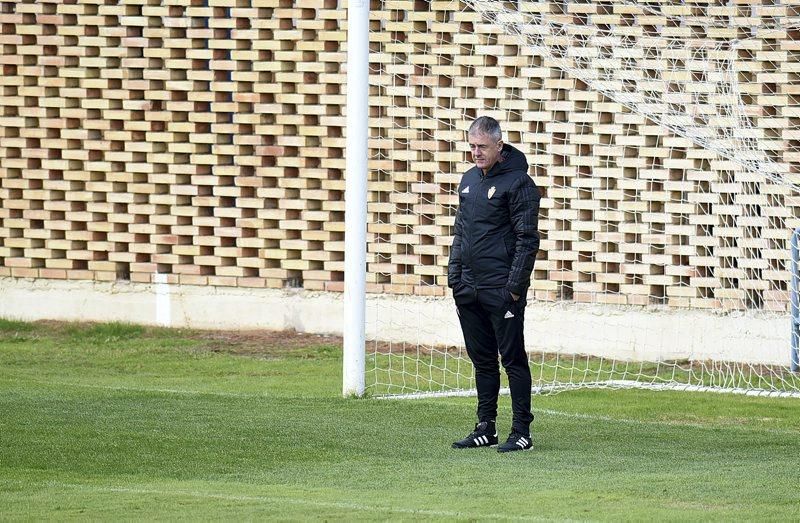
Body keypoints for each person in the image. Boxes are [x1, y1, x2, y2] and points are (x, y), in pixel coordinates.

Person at [448, 116, 540, 453]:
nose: (475, 152)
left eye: (482, 146)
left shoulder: (519, 183)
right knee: (482, 360)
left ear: (499, 146)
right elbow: (461, 233)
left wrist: (513, 288)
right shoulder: (469, 181)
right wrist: (454, 277)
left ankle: (522, 432)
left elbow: (527, 240)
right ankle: (485, 427)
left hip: (502, 290)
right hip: (468, 288)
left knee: (512, 359)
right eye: (471, 146)